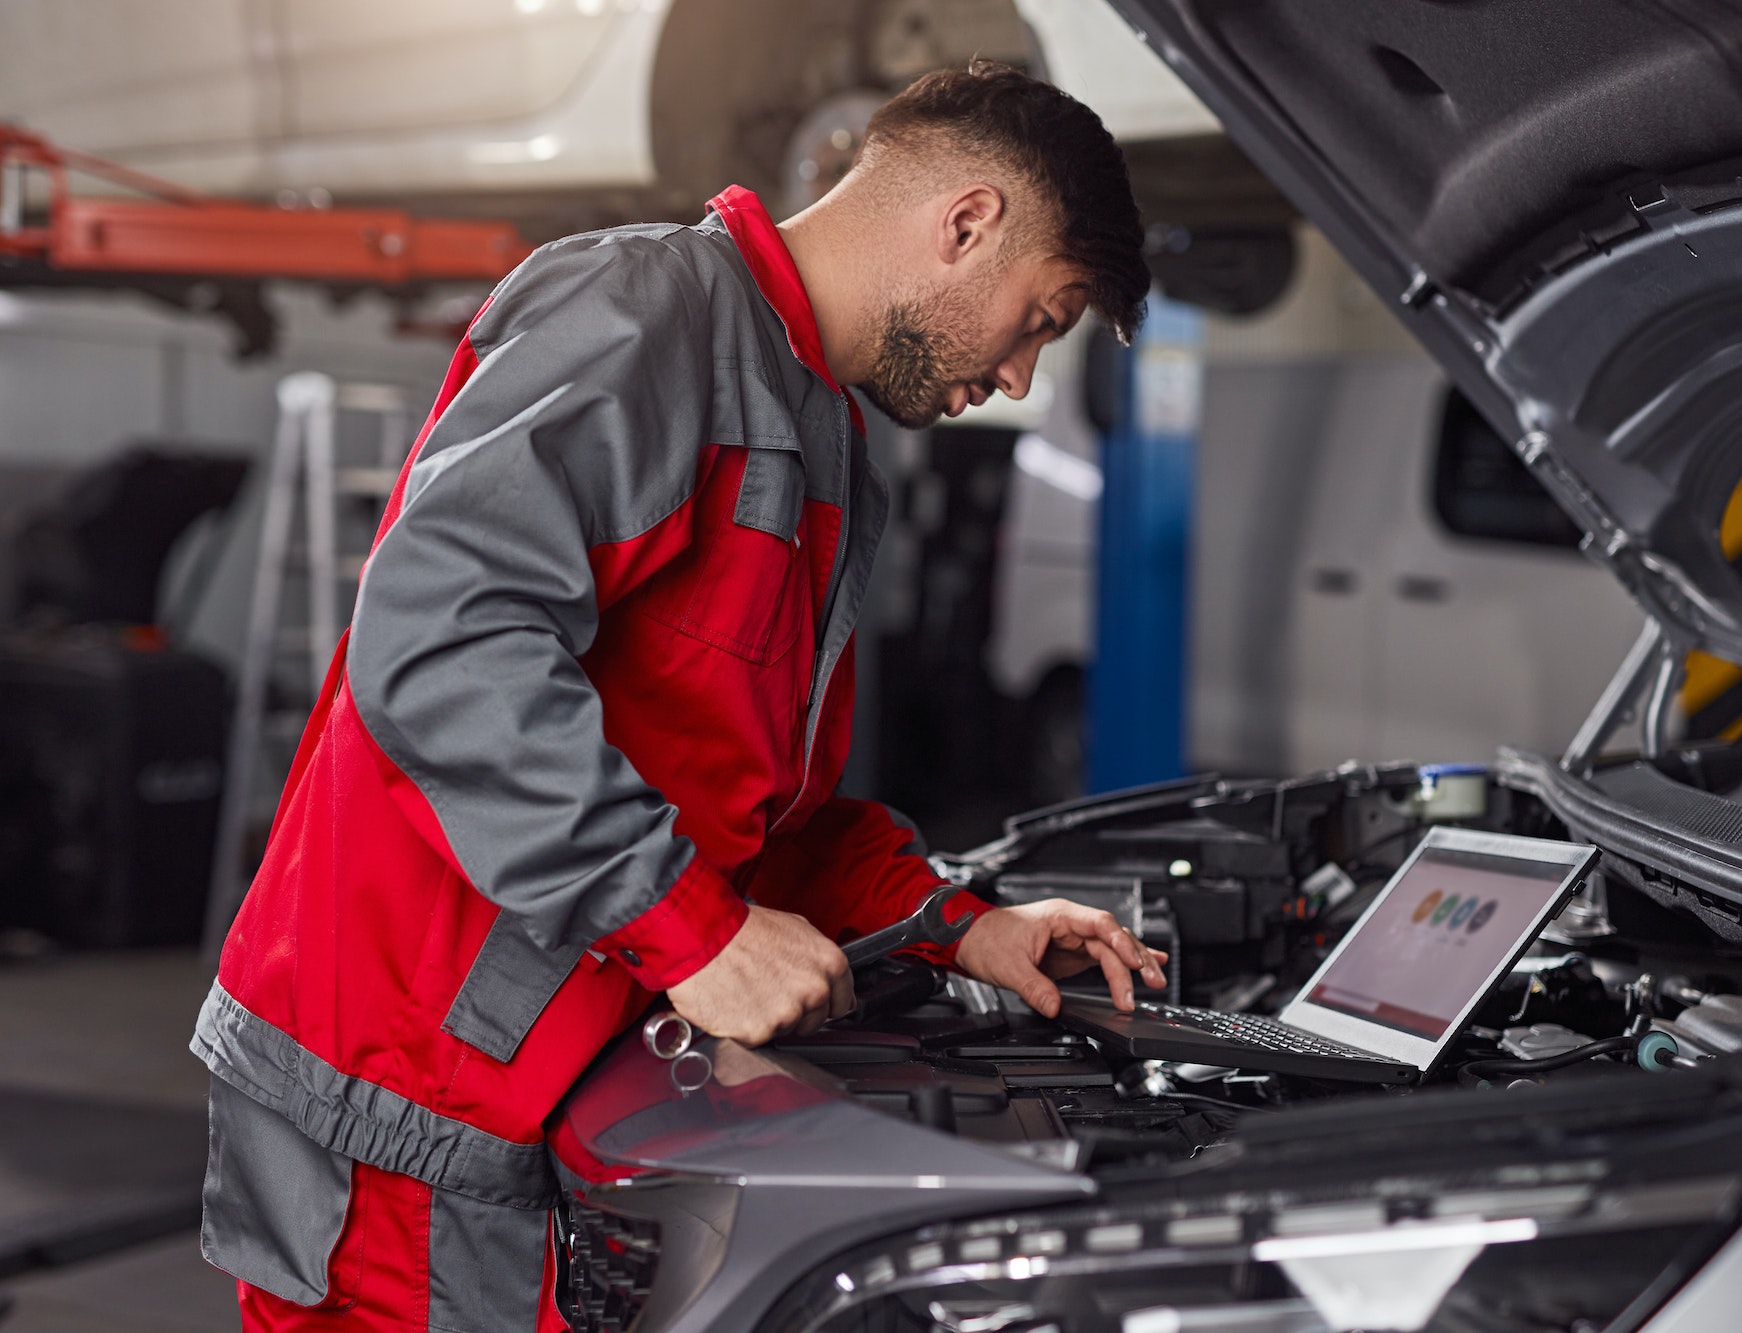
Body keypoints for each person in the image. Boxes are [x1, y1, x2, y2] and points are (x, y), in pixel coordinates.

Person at [191, 60, 1163, 1331]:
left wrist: (952, 920)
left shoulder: (818, 438)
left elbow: (745, 809)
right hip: (401, 1101)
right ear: (966, 223)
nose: (1024, 375)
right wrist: (686, 926)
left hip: (534, 1092)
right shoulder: (647, 311)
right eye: (1043, 315)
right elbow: (442, 638)